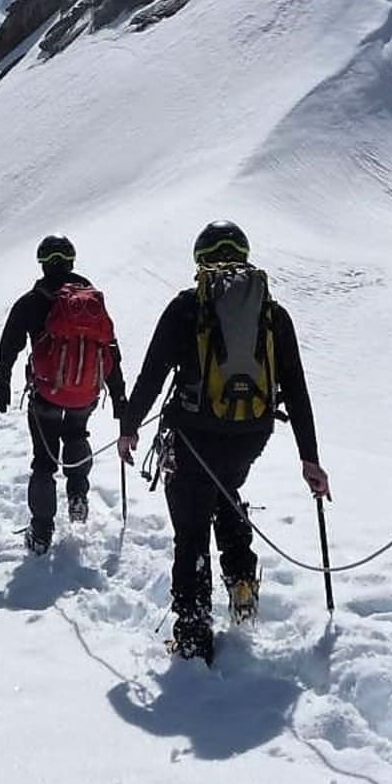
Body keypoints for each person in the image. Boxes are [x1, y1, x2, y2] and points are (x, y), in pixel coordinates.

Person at [117, 221, 330, 663]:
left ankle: (194, 634)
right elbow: (296, 387)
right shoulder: (272, 315)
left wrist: (130, 425)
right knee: (225, 491)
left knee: (191, 531)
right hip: (250, 436)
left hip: (192, 437)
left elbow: (152, 375)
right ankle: (241, 581)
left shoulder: (186, 308)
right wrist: (310, 459)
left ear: (201, 260)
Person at [0, 235, 127, 555]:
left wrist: (2, 382)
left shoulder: (31, 301)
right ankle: (78, 494)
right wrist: (119, 396)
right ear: (71, 261)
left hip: (46, 395)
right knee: (77, 433)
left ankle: (41, 531)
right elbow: (110, 349)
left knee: (44, 459)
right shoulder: (91, 303)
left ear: (42, 262)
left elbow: (9, 344)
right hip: (85, 394)